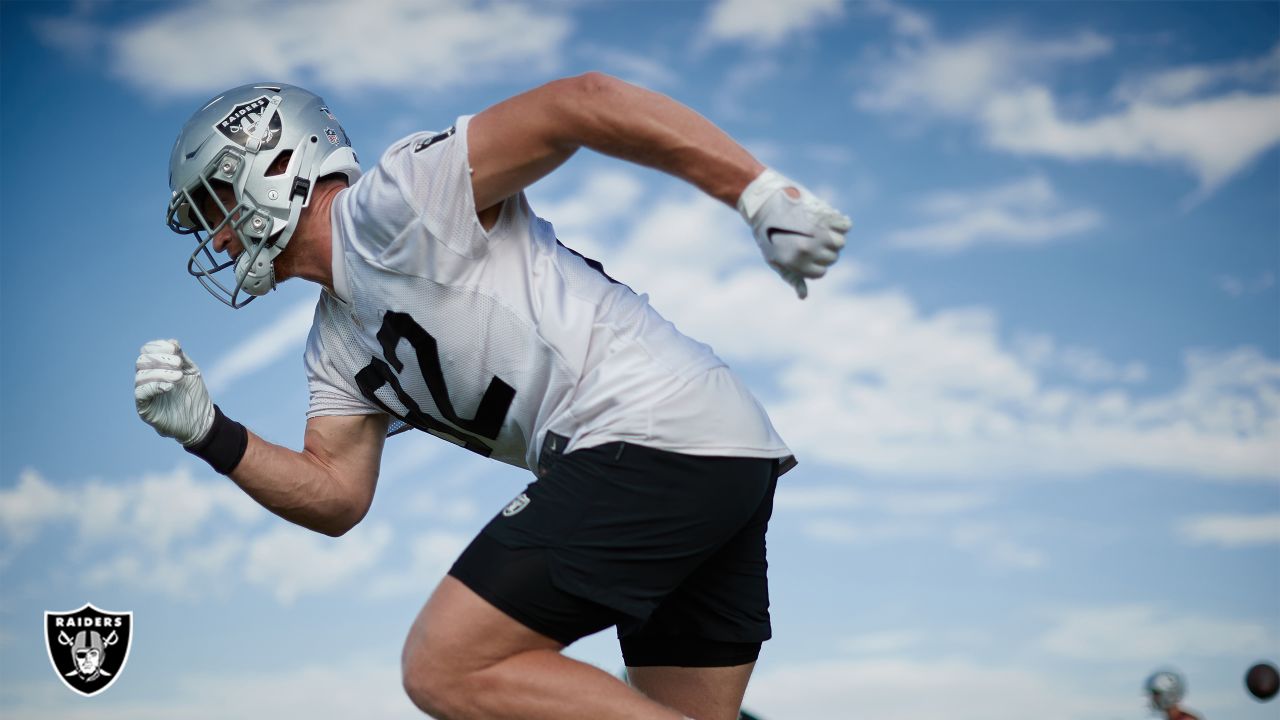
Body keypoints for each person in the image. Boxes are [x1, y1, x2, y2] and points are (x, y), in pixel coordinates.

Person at [136, 75, 850, 720]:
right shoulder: (335, 342)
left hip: (646, 431)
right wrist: (210, 433)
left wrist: (756, 192)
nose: (219, 240)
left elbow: (582, 103)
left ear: (274, 164)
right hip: (714, 451)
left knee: (444, 665)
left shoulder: (398, 200)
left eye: (216, 203)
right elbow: (336, 496)